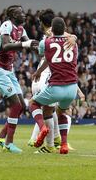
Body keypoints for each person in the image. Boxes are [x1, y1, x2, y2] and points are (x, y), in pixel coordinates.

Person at [0, 5, 39, 153]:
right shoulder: (7, 25)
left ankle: (0, 137)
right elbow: (5, 46)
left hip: (9, 71)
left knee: (22, 106)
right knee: (16, 106)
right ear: (12, 15)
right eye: (20, 12)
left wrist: (46, 46)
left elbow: (32, 46)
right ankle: (8, 144)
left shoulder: (21, 29)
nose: (23, 15)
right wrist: (25, 44)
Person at [28, 17, 79, 154]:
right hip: (72, 88)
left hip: (56, 86)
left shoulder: (45, 42)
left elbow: (44, 55)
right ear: (65, 29)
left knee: (33, 103)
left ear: (52, 28)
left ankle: (42, 127)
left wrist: (38, 71)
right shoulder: (74, 43)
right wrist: (73, 37)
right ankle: (63, 145)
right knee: (61, 112)